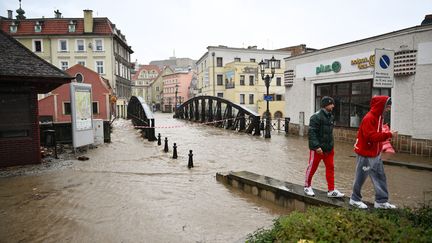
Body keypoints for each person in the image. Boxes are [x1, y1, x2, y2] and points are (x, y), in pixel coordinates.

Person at [349, 96, 397, 209]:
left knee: (380, 177)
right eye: (387, 106)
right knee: (360, 177)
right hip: (366, 155)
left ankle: (381, 201)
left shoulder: (379, 117)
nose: (389, 109)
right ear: (381, 106)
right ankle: (354, 199)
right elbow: (370, 136)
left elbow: (376, 135)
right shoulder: (369, 118)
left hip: (376, 154)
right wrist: (389, 135)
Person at [304, 96, 344, 198]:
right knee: (312, 167)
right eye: (331, 104)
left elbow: (329, 133)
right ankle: (307, 186)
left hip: (328, 149)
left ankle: (331, 190)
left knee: (330, 168)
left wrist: (331, 146)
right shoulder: (315, 117)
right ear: (326, 105)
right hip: (318, 150)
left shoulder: (330, 116)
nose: (333, 106)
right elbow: (312, 133)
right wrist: (316, 147)